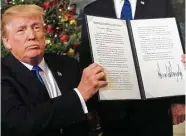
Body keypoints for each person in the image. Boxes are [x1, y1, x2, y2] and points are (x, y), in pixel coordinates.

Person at [79, 0, 185, 136]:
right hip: (111, 111)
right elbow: (86, 58)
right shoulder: (92, 9)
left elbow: (175, 51)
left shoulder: (160, 4)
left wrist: (179, 100)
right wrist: (90, 107)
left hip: (155, 110)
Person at [1, 4, 108, 136]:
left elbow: (94, 107)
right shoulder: (3, 73)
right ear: (6, 42)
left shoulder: (68, 64)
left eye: (36, 27)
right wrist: (79, 95)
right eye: (21, 30)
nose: (31, 36)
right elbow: (19, 122)